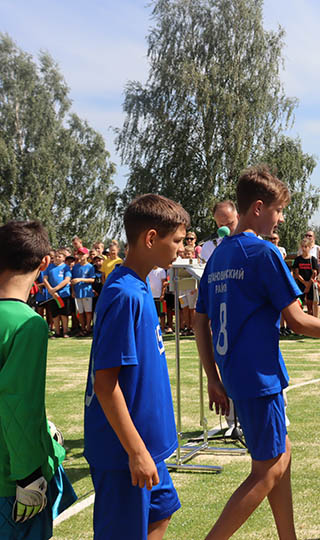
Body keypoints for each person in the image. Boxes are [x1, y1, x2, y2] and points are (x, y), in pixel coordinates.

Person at [193, 165, 320, 540]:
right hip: (260, 378)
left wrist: (213, 378)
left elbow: (199, 322)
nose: (282, 217)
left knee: (281, 457)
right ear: (258, 208)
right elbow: (298, 320)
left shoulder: (219, 256)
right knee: (267, 470)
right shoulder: (263, 254)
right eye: (279, 209)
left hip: (237, 376)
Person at [83, 194, 189, 540]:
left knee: (160, 514)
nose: (181, 248)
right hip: (125, 453)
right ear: (150, 239)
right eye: (176, 240)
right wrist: (136, 451)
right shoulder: (124, 294)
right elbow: (105, 385)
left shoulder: (140, 286)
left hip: (148, 447)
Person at [0, 221, 77, 540]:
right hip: (9, 478)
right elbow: (18, 402)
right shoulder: (27, 324)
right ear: (45, 262)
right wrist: (30, 474)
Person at [43, 251, 72, 338]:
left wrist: (55, 289)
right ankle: (57, 332)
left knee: (64, 314)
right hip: (52, 295)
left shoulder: (66, 267)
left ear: (63, 258)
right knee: (55, 314)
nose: (57, 258)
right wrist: (51, 290)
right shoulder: (49, 267)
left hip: (63, 294)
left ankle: (65, 331)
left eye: (59, 256)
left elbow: (67, 280)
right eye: (55, 256)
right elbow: (45, 279)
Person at [71, 247, 96, 336]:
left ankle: (88, 328)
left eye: (83, 254)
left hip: (87, 292)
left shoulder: (90, 267)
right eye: (79, 254)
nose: (81, 256)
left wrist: (80, 279)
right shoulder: (75, 267)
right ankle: (82, 328)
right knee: (80, 312)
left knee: (88, 311)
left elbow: (93, 279)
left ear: (87, 255)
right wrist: (73, 291)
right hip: (78, 292)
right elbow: (72, 280)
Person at [292, 237, 319, 318]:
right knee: (299, 306)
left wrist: (309, 284)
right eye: (302, 246)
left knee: (310, 307)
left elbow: (315, 272)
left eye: (306, 247)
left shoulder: (313, 259)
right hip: (300, 285)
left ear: (310, 247)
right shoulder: (298, 259)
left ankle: (310, 326)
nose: (304, 249)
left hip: (310, 286)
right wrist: (304, 283)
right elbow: (296, 273)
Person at [147, 266, 169, 333]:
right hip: (151, 296)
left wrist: (162, 294)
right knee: (152, 313)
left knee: (162, 313)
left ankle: (162, 328)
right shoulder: (148, 270)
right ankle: (153, 329)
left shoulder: (161, 271)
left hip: (159, 296)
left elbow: (163, 283)